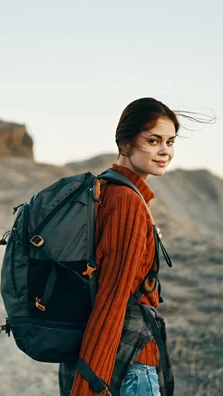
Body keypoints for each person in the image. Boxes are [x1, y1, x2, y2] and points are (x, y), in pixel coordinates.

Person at [59, 97, 180, 396]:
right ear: (125, 143)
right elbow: (111, 297)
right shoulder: (125, 201)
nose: (165, 151)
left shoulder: (108, 189)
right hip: (127, 368)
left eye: (170, 141)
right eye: (154, 141)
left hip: (105, 359)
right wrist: (90, 386)